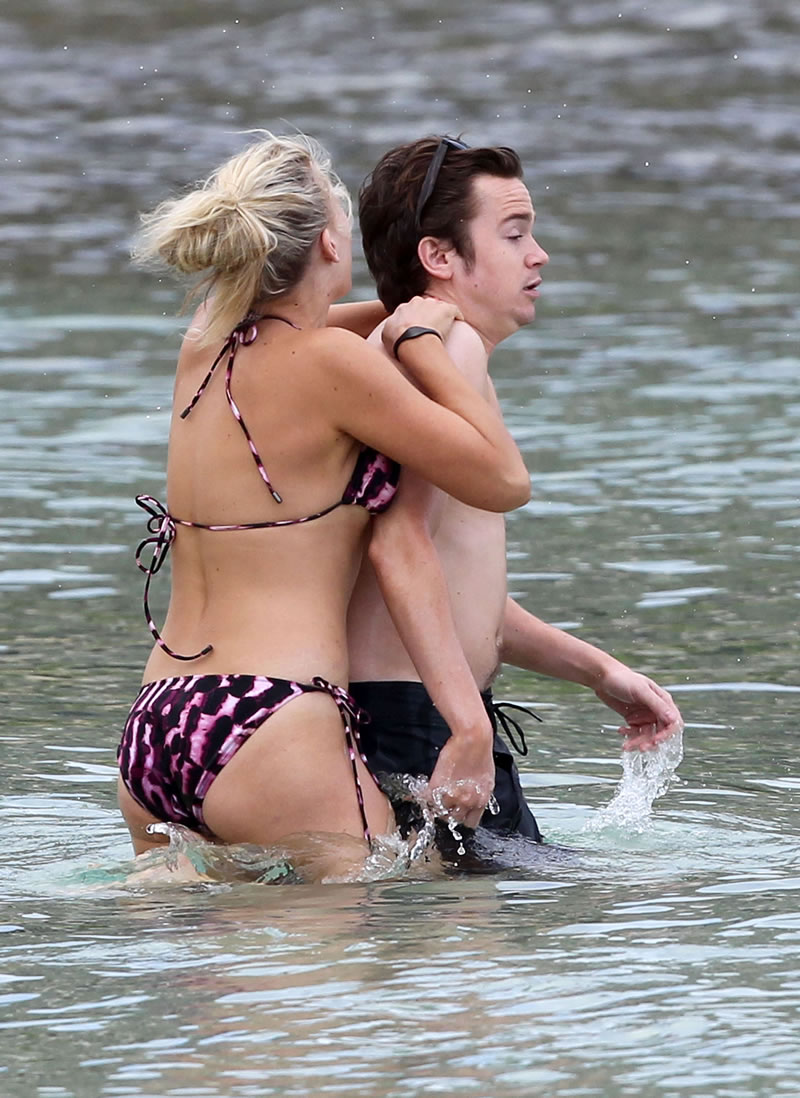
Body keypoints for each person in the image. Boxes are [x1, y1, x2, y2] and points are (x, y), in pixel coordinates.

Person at [115, 132, 532, 877]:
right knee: (385, 925)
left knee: (193, 942)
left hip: (159, 723)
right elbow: (503, 481)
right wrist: (426, 344)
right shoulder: (333, 365)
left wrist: (416, 309)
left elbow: (326, 320)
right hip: (274, 717)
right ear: (331, 243)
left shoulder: (204, 342)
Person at [347, 136, 684, 847]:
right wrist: (468, 726)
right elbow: (397, 545)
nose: (540, 255)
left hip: (419, 714)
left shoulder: (420, 351)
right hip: (424, 723)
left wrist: (597, 671)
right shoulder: (448, 351)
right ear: (440, 257)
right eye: (514, 234)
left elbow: (457, 589)